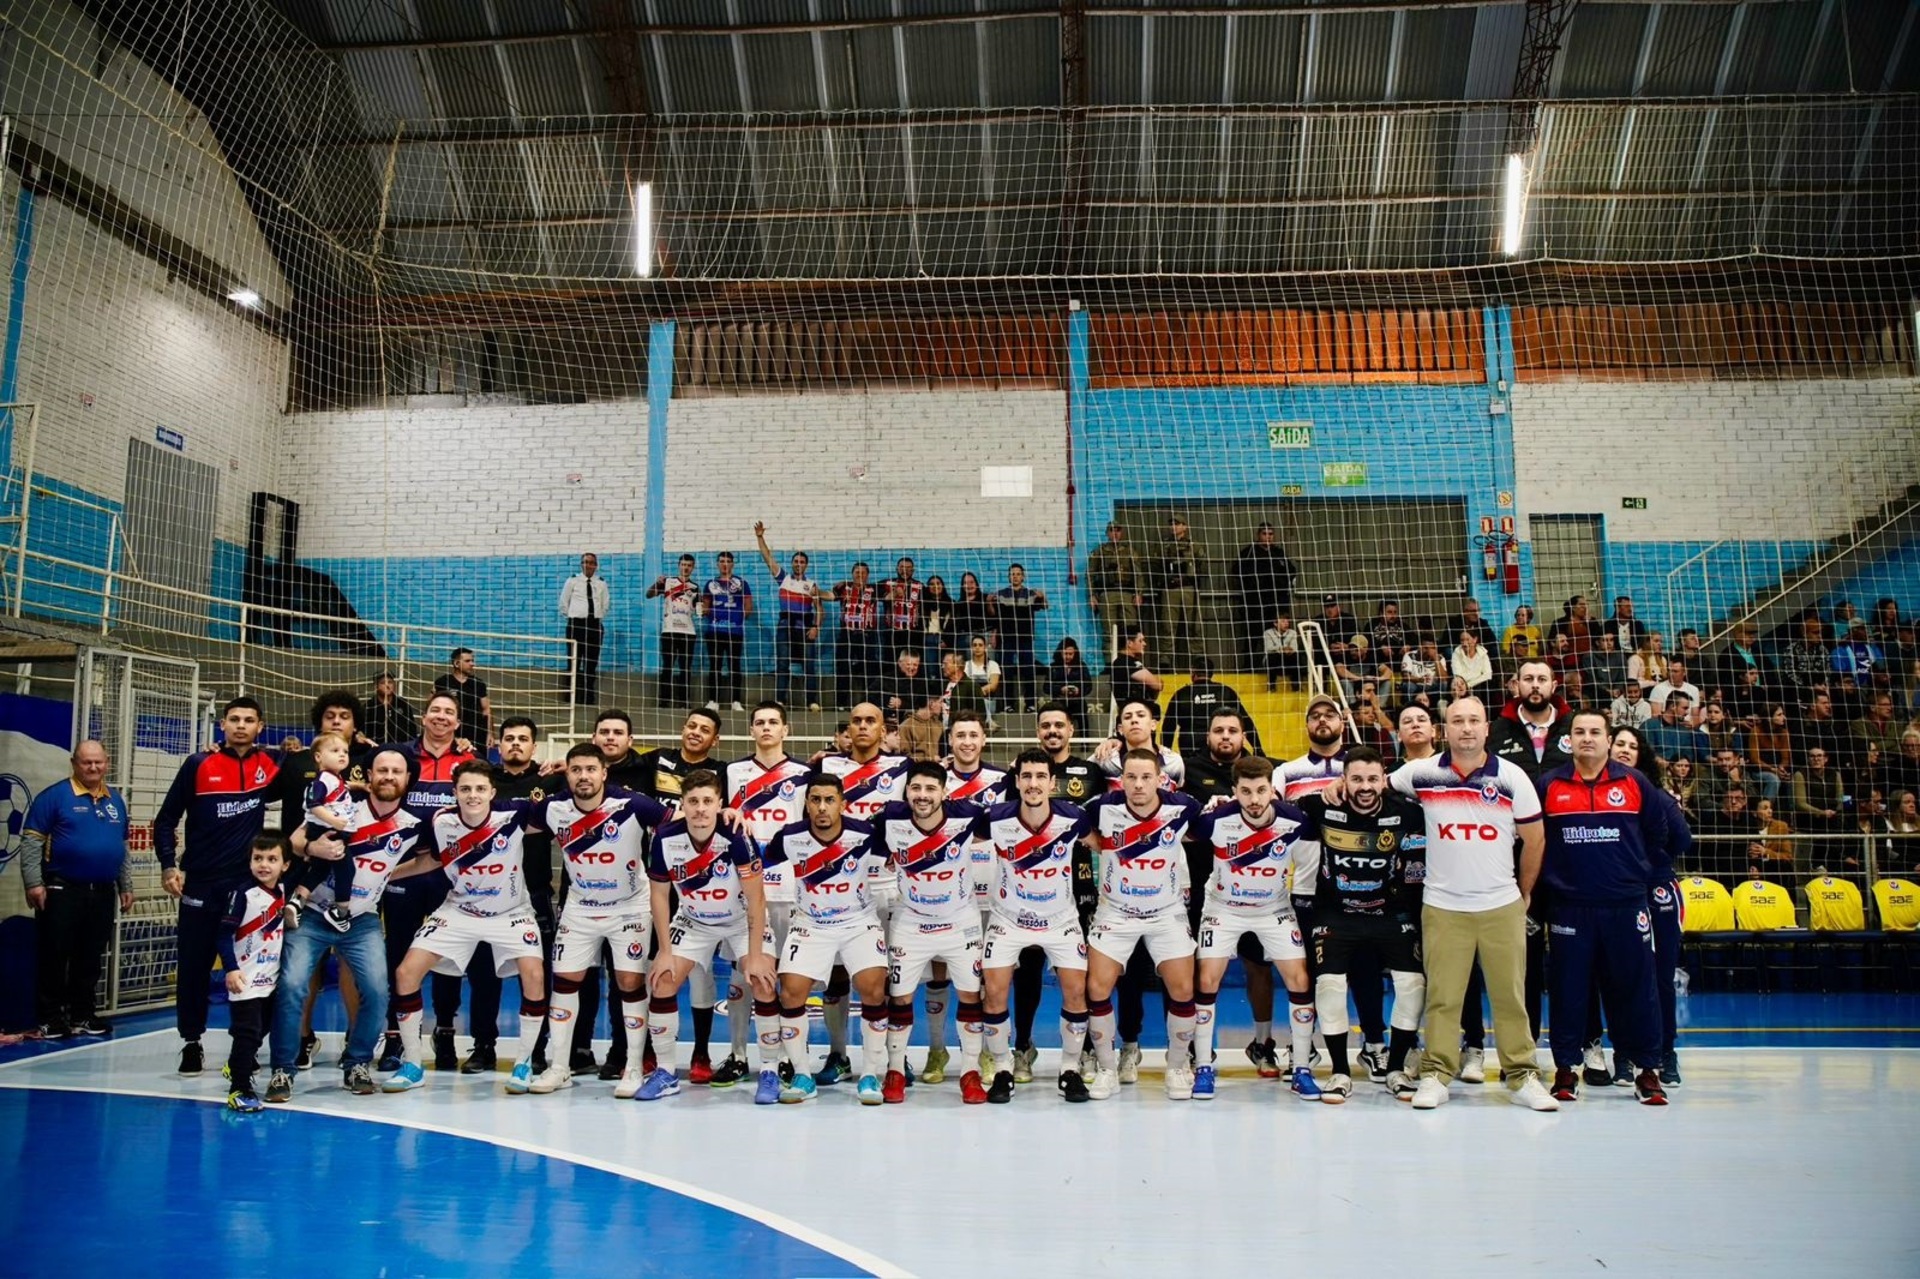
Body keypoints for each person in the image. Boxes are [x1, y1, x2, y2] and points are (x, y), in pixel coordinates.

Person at [1392, 697, 1557, 1111]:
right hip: (1444, 906)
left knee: (1510, 996)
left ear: (1487, 728)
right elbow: (1372, 782)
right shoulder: (1423, 773)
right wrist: (1341, 784)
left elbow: (1535, 840)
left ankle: (1521, 1076)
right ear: (1443, 730)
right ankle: (1435, 1074)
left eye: (1474, 721)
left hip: (1500, 905)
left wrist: (1523, 894)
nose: (1466, 728)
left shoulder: (1512, 776)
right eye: (1457, 721)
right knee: (1443, 999)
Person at [380, 761, 549, 1094]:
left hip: (510, 912)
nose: (473, 796)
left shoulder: (513, 815)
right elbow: (430, 861)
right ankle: (412, 1064)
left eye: (480, 789)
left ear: (492, 792)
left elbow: (566, 814)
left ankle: (524, 1062)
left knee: (534, 975)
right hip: (460, 910)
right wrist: (384, 876)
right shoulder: (441, 821)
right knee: (405, 973)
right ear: (455, 792)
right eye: (466, 789)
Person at [264, 749, 418, 1100]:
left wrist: (393, 873)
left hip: (360, 919)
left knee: (378, 990)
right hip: (315, 914)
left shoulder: (412, 824)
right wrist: (313, 849)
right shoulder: (345, 805)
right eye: (382, 770)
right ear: (370, 774)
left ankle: (357, 1063)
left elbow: (431, 859)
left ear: (407, 779)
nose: (389, 776)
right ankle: (282, 1071)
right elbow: (294, 842)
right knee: (291, 986)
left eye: (397, 771)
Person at [1537, 711, 1672, 1106]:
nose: (1587, 739)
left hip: (1625, 905)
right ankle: (1566, 1069)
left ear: (1609, 740)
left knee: (1636, 989)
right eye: (1579, 732)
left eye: (1595, 732)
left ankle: (1647, 1070)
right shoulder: (1549, 784)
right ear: (1570, 740)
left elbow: (1658, 832)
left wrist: (1635, 874)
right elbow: (1534, 840)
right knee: (1568, 991)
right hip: (1569, 907)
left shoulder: (1634, 782)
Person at [1291, 746, 1428, 1103]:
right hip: (1336, 913)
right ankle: (1339, 1071)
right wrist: (1321, 794)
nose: (1365, 787)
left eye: (1372, 779)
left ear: (1384, 780)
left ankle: (1395, 1067)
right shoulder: (1321, 806)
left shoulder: (1407, 813)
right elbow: (1282, 805)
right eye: (1356, 780)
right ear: (1344, 781)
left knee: (1412, 984)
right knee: (1329, 987)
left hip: (1390, 912)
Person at [154, 696, 281, 1078]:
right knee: (193, 967)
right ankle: (191, 1043)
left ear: (260, 727)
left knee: (254, 970)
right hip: (202, 884)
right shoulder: (198, 764)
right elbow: (165, 820)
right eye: (234, 719)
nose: (241, 725)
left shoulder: (271, 764)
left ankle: (248, 1046)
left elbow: (322, 761)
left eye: (249, 720)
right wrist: (166, 866)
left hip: (246, 888)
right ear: (222, 724)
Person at [642, 770, 777, 1103]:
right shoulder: (664, 837)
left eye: (707, 801)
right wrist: (664, 949)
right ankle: (665, 1072)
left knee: (762, 980)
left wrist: (756, 953)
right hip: (693, 919)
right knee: (662, 979)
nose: (700, 809)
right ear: (682, 805)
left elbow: (757, 898)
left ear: (720, 804)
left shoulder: (735, 837)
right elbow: (659, 895)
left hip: (740, 919)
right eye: (693, 802)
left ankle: (771, 1070)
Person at [1190, 756, 1315, 1100]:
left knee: (1299, 979)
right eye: (1246, 792)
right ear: (1235, 792)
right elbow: (1179, 832)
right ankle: (1202, 1066)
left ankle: (1302, 1068)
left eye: (1261, 790)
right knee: (1206, 979)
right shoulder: (1218, 820)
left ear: (1272, 789)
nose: (1254, 799)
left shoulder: (1294, 820)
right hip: (1223, 908)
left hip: (1273, 908)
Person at [975, 749, 1095, 1103]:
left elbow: (1106, 845)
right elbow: (953, 833)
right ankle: (1001, 1068)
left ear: (1052, 782)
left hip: (1060, 919)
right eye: (1026, 776)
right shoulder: (995, 818)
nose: (1033, 783)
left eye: (1040, 777)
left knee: (1076, 991)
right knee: (994, 992)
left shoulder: (1074, 818)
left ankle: (1069, 1069)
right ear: (1017, 781)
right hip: (1008, 919)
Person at [765, 773, 891, 1104]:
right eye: (815, 800)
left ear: (842, 804)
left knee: (874, 989)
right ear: (806, 804)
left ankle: (870, 1075)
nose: (822, 807)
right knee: (791, 993)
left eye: (830, 800)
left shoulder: (865, 833)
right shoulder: (789, 836)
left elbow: (905, 848)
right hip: (811, 923)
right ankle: (803, 1075)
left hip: (858, 922)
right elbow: (753, 863)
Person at [873, 762, 989, 1103]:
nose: (922, 796)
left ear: (944, 792)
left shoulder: (967, 815)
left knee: (970, 995)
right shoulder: (889, 819)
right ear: (906, 791)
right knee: (900, 997)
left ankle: (970, 1073)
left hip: (960, 920)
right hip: (911, 920)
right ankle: (894, 1070)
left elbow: (1017, 819)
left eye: (930, 789)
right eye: (916, 788)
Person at [376, 692, 476, 1074]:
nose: (441, 717)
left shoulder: (469, 760)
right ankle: (395, 1037)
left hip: (450, 876)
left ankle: (445, 1031)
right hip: (403, 871)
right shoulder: (400, 758)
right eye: (435, 710)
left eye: (449, 712)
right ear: (424, 716)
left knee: (447, 957)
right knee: (399, 955)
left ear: (458, 722)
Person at [814, 704, 912, 1083]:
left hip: (887, 885)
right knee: (836, 976)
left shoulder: (901, 769)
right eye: (856, 721)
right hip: (839, 885)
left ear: (881, 727)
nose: (863, 726)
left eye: (870, 721)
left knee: (883, 979)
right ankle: (838, 1054)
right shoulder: (827, 769)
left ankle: (892, 1057)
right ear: (848, 728)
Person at [724, 701, 815, 1084]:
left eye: (773, 722)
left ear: (786, 730)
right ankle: (738, 1053)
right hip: (744, 889)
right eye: (759, 722)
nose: (766, 728)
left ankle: (790, 1056)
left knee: (790, 978)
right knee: (743, 975)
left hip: (791, 889)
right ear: (751, 730)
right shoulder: (731, 772)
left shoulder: (805, 774)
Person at [460, 717, 552, 1076]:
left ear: (534, 747)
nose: (516, 744)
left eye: (523, 739)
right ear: (498, 745)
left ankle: (537, 1049)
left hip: (536, 892)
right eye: (509, 738)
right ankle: (484, 1046)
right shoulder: (484, 783)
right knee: (484, 975)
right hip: (485, 897)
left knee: (536, 974)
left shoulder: (549, 782)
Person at [22, 741, 132, 1039]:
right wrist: (33, 883)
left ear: (107, 762)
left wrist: (126, 886)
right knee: (55, 955)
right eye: (86, 763)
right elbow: (32, 842)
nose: (93, 768)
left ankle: (82, 1015)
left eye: (98, 762)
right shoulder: (55, 797)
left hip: (102, 891)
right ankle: (49, 1019)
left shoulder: (116, 800)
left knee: (90, 956)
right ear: (74, 763)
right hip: (61, 889)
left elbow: (122, 847)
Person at [219, 835, 291, 1113]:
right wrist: (231, 969)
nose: (264, 865)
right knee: (247, 1033)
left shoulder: (285, 890)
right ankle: (239, 1088)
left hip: (270, 978)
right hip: (245, 979)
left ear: (285, 864)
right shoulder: (242, 894)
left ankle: (237, 1064)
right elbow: (224, 935)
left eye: (272, 859)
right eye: (258, 858)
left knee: (265, 1026)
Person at [281, 733, 360, 933]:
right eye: (335, 751)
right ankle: (340, 912)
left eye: (345, 751)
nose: (342, 755)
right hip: (329, 830)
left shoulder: (335, 779)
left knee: (320, 869)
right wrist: (334, 822)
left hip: (330, 829)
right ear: (318, 757)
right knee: (346, 870)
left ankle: (297, 900)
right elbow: (313, 804)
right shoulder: (323, 780)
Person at [754, 522, 823, 711]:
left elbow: (819, 608)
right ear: (792, 563)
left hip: (805, 626)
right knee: (782, 664)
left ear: (806, 565)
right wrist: (760, 537)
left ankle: (812, 701)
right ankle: (780, 701)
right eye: (796, 561)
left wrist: (816, 627)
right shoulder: (783, 578)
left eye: (802, 562)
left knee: (809, 665)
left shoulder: (812, 585)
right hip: (785, 626)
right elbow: (768, 558)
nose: (798, 564)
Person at [1162, 657, 1263, 759]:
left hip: (1191, 747)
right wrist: (1257, 748)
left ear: (1193, 672)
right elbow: (1245, 721)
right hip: (1220, 744)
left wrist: (1165, 755)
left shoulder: (1181, 694)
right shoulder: (1225, 691)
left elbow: (1168, 727)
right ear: (1211, 672)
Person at [1233, 523, 1296, 665]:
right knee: (1252, 636)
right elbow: (1236, 571)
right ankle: (1248, 667)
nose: (1268, 537)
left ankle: (1277, 665)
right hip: (1254, 604)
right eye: (1264, 534)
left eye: (1270, 534)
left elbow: (1291, 571)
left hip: (1275, 604)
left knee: (1275, 635)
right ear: (1258, 535)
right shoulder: (1249, 553)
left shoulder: (1278, 553)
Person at [646, 554, 703, 708]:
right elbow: (649, 595)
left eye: (689, 565)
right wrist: (656, 583)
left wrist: (703, 608)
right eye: (683, 564)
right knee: (667, 666)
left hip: (688, 633)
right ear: (679, 565)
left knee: (685, 668)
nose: (686, 568)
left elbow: (699, 611)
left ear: (693, 567)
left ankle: (684, 702)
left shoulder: (695, 587)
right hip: (669, 631)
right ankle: (664, 702)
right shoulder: (668, 582)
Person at [991, 563, 1048, 714]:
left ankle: (1030, 704)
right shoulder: (1001, 594)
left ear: (1023, 576)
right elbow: (994, 615)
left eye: (1018, 574)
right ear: (1008, 577)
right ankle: (1008, 704)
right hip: (1006, 638)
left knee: (1028, 670)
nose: (1015, 576)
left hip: (1025, 638)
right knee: (1007, 671)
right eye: (1012, 574)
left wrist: (1043, 597)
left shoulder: (1030, 594)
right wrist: (989, 602)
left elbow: (1045, 606)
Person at [701, 551, 753, 712]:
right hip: (715, 631)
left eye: (728, 561)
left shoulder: (741, 583)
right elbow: (705, 606)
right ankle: (713, 701)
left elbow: (748, 607)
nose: (725, 564)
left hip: (735, 632)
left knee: (735, 666)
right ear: (717, 564)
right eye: (722, 561)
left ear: (732, 564)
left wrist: (735, 620)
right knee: (715, 665)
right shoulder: (710, 583)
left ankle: (736, 701)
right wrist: (710, 613)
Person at [558, 551, 610, 703]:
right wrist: (575, 616)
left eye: (591, 562)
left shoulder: (601, 583)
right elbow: (563, 603)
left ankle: (588, 697)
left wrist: (594, 618)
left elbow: (605, 604)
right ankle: (571, 696)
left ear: (596, 565)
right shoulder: (572, 581)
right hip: (576, 625)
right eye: (585, 562)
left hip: (594, 625)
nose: (588, 565)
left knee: (591, 663)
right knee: (574, 660)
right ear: (581, 564)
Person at [830, 562, 881, 710]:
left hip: (867, 635)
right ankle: (841, 704)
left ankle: (871, 703)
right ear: (852, 574)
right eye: (857, 572)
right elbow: (829, 596)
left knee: (870, 669)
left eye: (863, 573)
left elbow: (889, 596)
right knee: (843, 668)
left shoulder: (874, 590)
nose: (860, 575)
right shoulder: (843, 588)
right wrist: (816, 592)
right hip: (847, 634)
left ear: (867, 575)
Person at [1158, 515, 1205, 667]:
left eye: (1177, 524)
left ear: (1185, 527)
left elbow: (1201, 564)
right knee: (1168, 624)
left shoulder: (1194, 545)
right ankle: (1166, 659)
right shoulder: (1164, 545)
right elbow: (1158, 566)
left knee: (1194, 624)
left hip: (1188, 587)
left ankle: (1197, 657)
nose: (1174, 527)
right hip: (1170, 588)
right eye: (1171, 524)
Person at [1086, 521, 1143, 643]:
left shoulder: (1129, 550)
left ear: (1121, 532)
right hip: (1107, 594)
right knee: (1109, 632)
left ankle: (1130, 660)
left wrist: (1138, 593)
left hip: (1127, 593)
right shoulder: (1100, 551)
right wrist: (1091, 595)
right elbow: (1090, 573)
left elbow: (1138, 574)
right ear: (1107, 533)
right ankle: (1109, 661)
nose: (1115, 533)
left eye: (1118, 530)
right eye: (1112, 530)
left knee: (1131, 630)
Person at [433, 648, 493, 751]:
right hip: (449, 731)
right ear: (456, 663)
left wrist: (489, 734)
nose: (472, 664)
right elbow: (431, 706)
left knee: (477, 764)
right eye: (467, 661)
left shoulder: (478, 684)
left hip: (475, 734)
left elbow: (486, 710)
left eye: (472, 660)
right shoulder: (442, 682)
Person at [1107, 626, 1164, 714]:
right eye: (1140, 641)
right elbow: (1157, 685)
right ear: (1129, 643)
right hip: (1134, 715)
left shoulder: (1125, 662)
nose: (1144, 644)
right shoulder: (1125, 662)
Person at [881, 557, 925, 668]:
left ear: (913, 570)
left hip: (914, 633)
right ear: (897, 568)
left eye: (908, 568)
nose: (905, 570)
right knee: (891, 665)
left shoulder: (920, 586)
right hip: (892, 632)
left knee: (914, 664)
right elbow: (865, 586)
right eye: (902, 567)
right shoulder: (888, 583)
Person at [1044, 637, 1093, 728]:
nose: (1068, 656)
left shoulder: (1081, 666)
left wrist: (1078, 690)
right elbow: (1046, 687)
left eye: (1071, 654)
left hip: (1077, 701)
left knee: (1081, 709)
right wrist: (1061, 690)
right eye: (1065, 654)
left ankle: (1085, 741)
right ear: (1060, 653)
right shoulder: (1054, 667)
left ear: (1075, 653)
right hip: (1059, 701)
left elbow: (1088, 686)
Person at [885, 648, 939, 729]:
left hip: (914, 727)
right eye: (908, 664)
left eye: (915, 665)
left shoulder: (922, 683)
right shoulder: (885, 679)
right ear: (899, 663)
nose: (912, 668)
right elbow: (870, 699)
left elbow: (922, 708)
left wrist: (902, 704)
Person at [363, 674, 417, 749]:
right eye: (383, 683)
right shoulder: (368, 707)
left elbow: (412, 730)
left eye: (390, 682)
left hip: (402, 750)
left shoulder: (403, 705)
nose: (387, 685)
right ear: (376, 687)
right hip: (375, 750)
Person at [965, 636, 1006, 731]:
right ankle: (989, 721)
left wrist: (979, 691)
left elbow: (993, 685)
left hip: (989, 700)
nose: (977, 648)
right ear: (971, 648)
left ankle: (987, 719)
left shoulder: (993, 664)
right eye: (974, 645)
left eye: (980, 645)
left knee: (981, 699)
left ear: (985, 647)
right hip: (971, 701)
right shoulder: (966, 665)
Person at [1263, 612, 1304, 690]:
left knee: (1296, 656)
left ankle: (1296, 686)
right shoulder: (1268, 633)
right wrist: (1282, 648)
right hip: (1275, 661)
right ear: (1275, 623)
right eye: (1283, 621)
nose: (1286, 623)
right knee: (1272, 656)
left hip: (1287, 660)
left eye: (1287, 621)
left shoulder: (1292, 633)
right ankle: (1271, 686)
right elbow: (1269, 648)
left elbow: (1294, 648)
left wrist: (1286, 650)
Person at [1452, 629, 1493, 698]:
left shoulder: (1483, 653)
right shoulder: (1456, 653)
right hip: (1461, 687)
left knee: (1486, 685)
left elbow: (1488, 675)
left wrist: (1469, 684)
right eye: (1462, 640)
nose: (1464, 643)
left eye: (1467, 640)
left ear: (1475, 639)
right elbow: (1458, 675)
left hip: (1478, 687)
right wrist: (1477, 677)